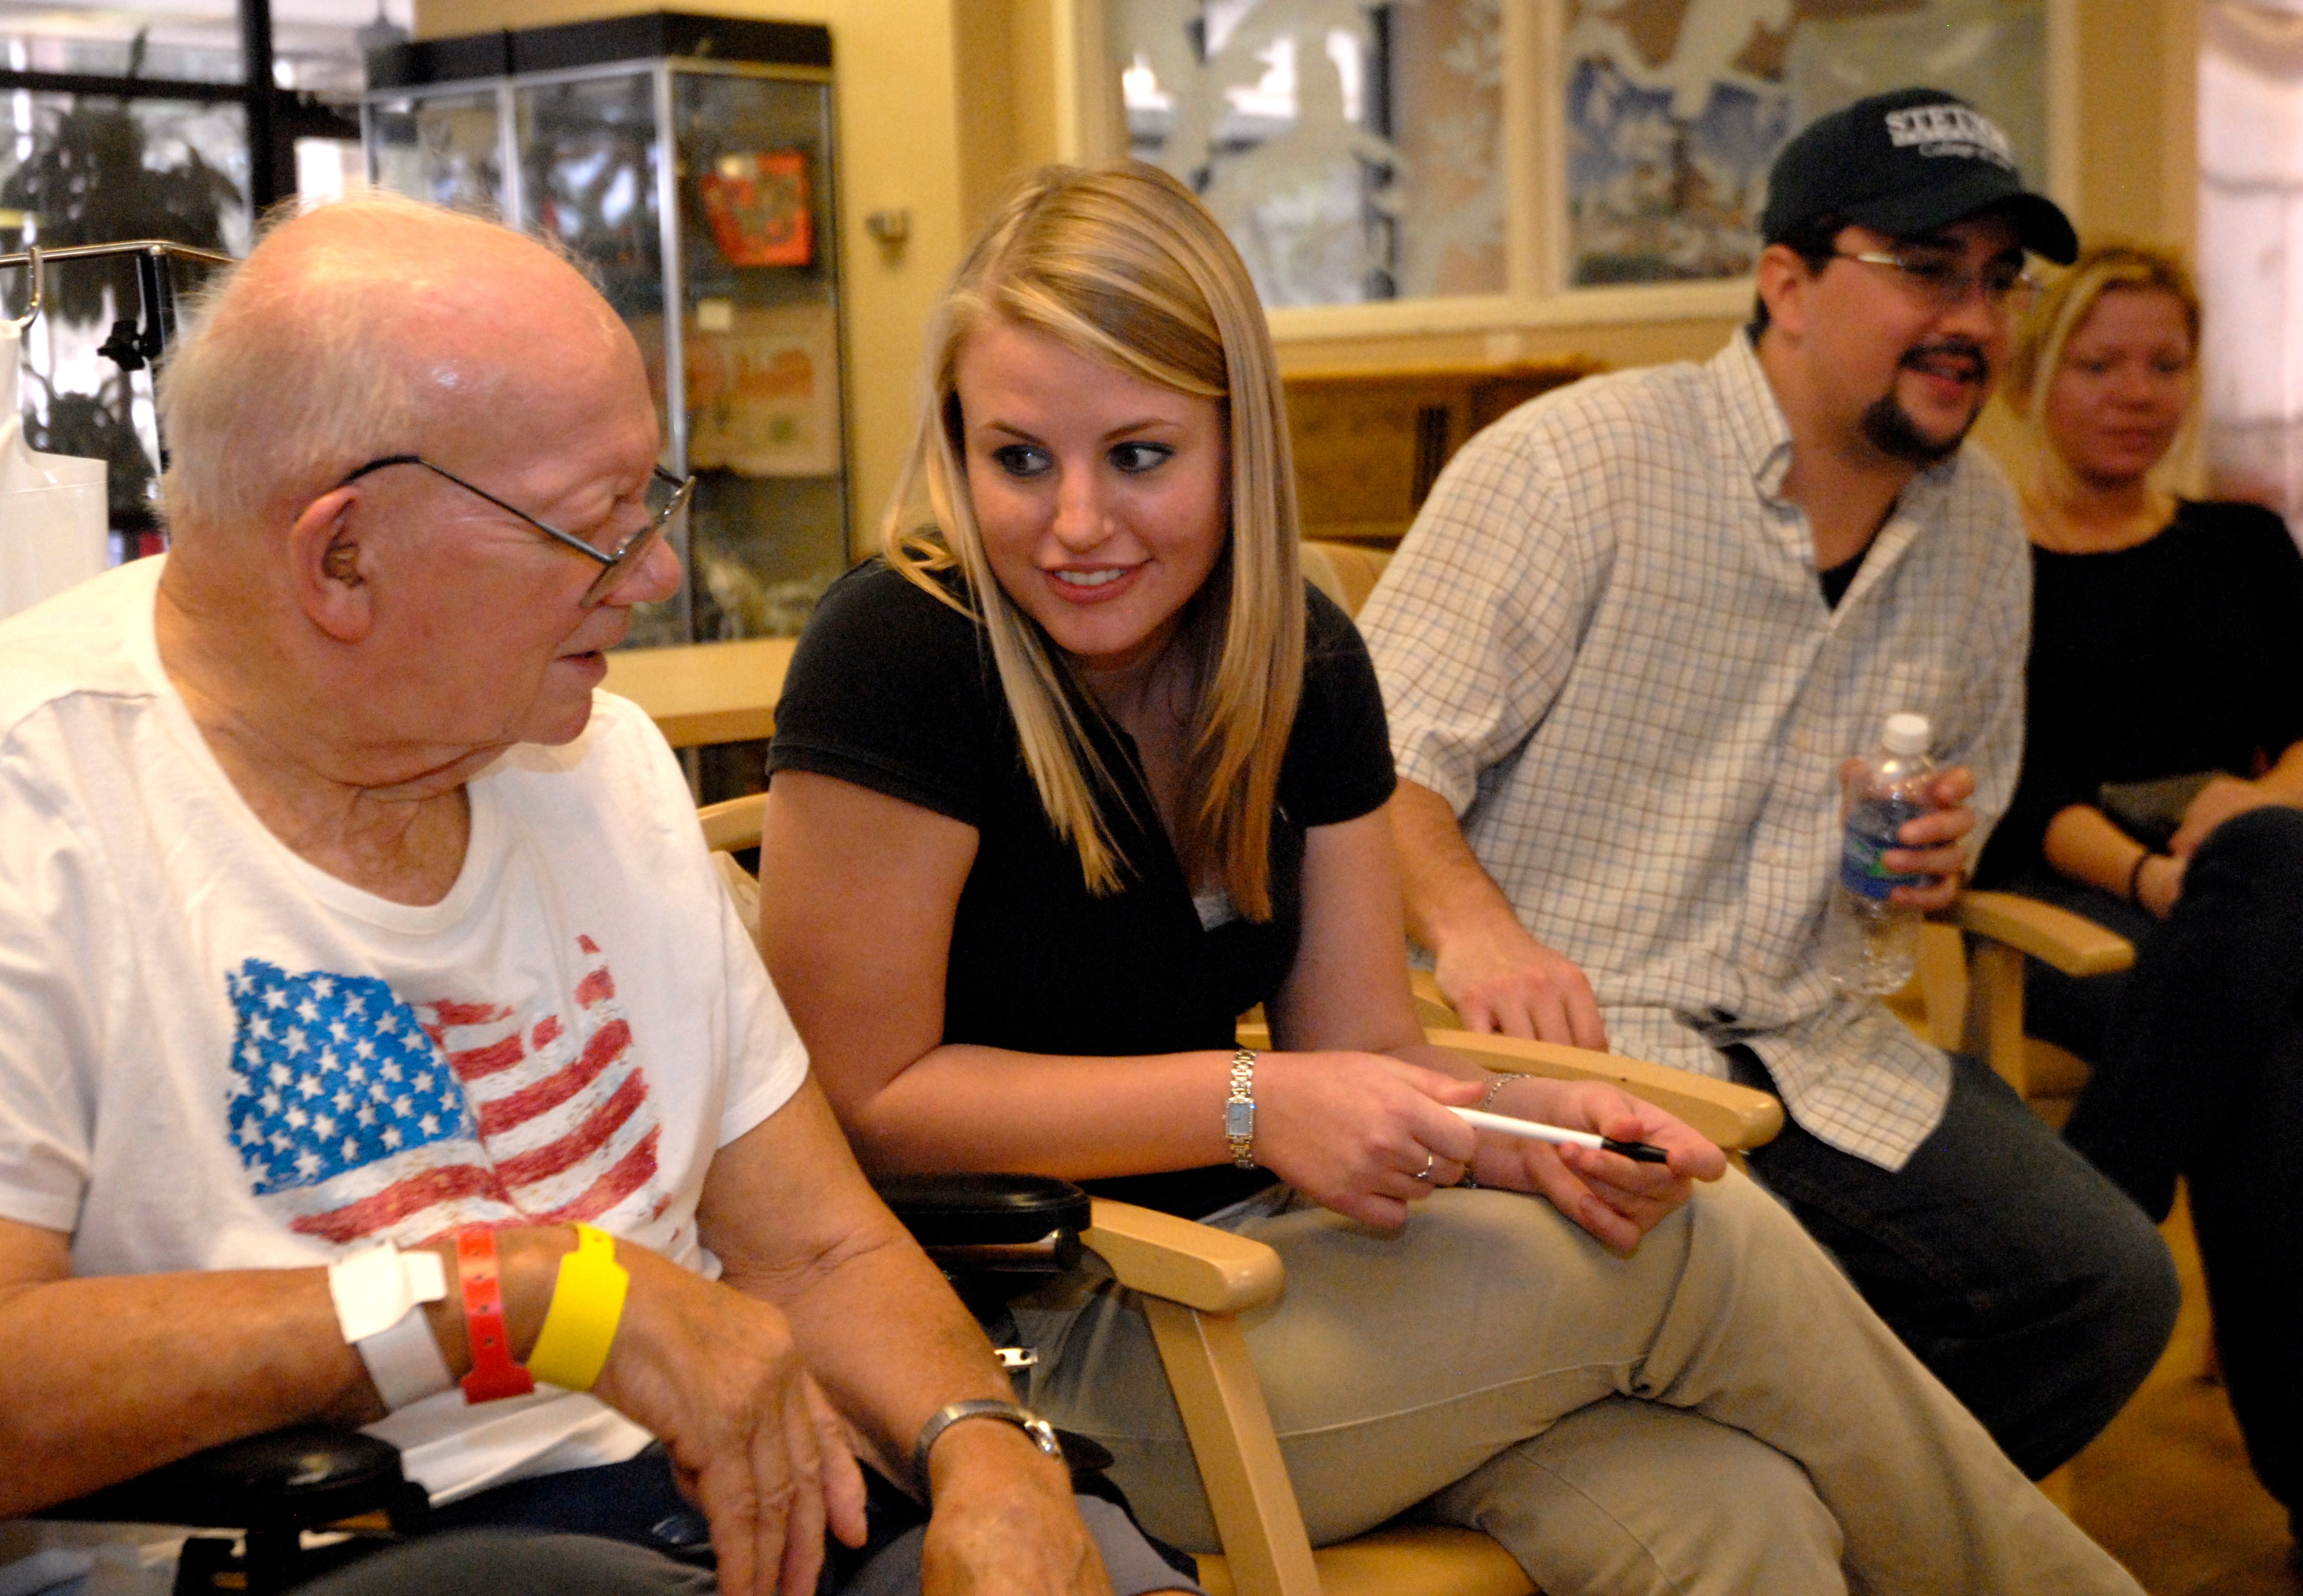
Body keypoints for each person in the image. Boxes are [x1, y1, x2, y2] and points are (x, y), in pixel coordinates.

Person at [754, 158, 2144, 1595]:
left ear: (1241, 447)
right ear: (952, 444)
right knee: (1704, 1250)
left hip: (1263, 1274)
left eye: (1142, 456)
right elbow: (858, 1111)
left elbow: (1358, 1051)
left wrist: (1529, 1128)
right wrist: (1253, 1104)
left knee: (1734, 1509)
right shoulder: (902, 653)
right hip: (1009, 1350)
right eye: (1019, 458)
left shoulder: (1295, 652)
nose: (1078, 524)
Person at [0, 196, 1197, 1596]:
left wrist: (990, 1457)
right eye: (596, 528)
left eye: (652, 505)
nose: (653, 575)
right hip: (355, 1547)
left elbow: (820, 1250)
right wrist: (512, 1299)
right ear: (342, 555)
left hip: (734, 1503)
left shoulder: (597, 761)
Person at [1358, 87, 2180, 1480]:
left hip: (1819, 1042)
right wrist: (1476, 928)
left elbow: (1962, 806)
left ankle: (1819, 1534)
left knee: (2101, 1287)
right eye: (1925, 270)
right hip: (1580, 1059)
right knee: (1767, 1327)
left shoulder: (1977, 518)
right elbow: (1362, 764)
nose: (1975, 321)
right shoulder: (1579, 465)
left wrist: (1937, 854)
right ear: (1784, 284)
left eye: (1996, 282)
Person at [1977, 241, 2303, 1526]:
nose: (2137, 391)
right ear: (2037, 381)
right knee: (2272, 1061)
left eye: (2164, 364)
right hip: (2078, 903)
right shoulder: (1987, 559)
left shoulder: (2242, 541)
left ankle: (2105, 1199)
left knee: (2272, 876)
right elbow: (2016, 784)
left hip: (2253, 879)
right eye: (2100, 363)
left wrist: (2248, 823)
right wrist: (2159, 876)